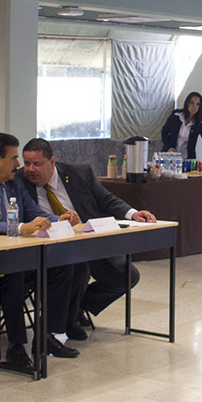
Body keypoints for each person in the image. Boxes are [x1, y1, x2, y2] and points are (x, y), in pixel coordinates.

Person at [0, 132, 78, 368]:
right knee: (15, 273)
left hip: (8, 260)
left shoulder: (14, 184)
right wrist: (21, 228)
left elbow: (32, 213)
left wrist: (60, 219)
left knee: (61, 266)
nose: (18, 165)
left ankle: (48, 335)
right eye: (13, 158)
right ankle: (16, 348)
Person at [19, 138, 157, 338]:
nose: (31, 169)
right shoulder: (19, 181)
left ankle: (75, 308)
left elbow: (105, 199)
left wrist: (132, 213)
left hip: (86, 242)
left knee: (127, 276)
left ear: (52, 162)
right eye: (27, 163)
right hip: (49, 249)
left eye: (37, 164)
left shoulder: (78, 173)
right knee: (77, 268)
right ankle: (68, 320)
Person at [161, 91, 202, 168]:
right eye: (192, 103)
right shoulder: (176, 116)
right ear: (187, 103)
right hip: (169, 157)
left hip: (187, 160)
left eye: (197, 104)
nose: (194, 106)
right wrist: (170, 147)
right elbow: (164, 132)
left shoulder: (200, 123)